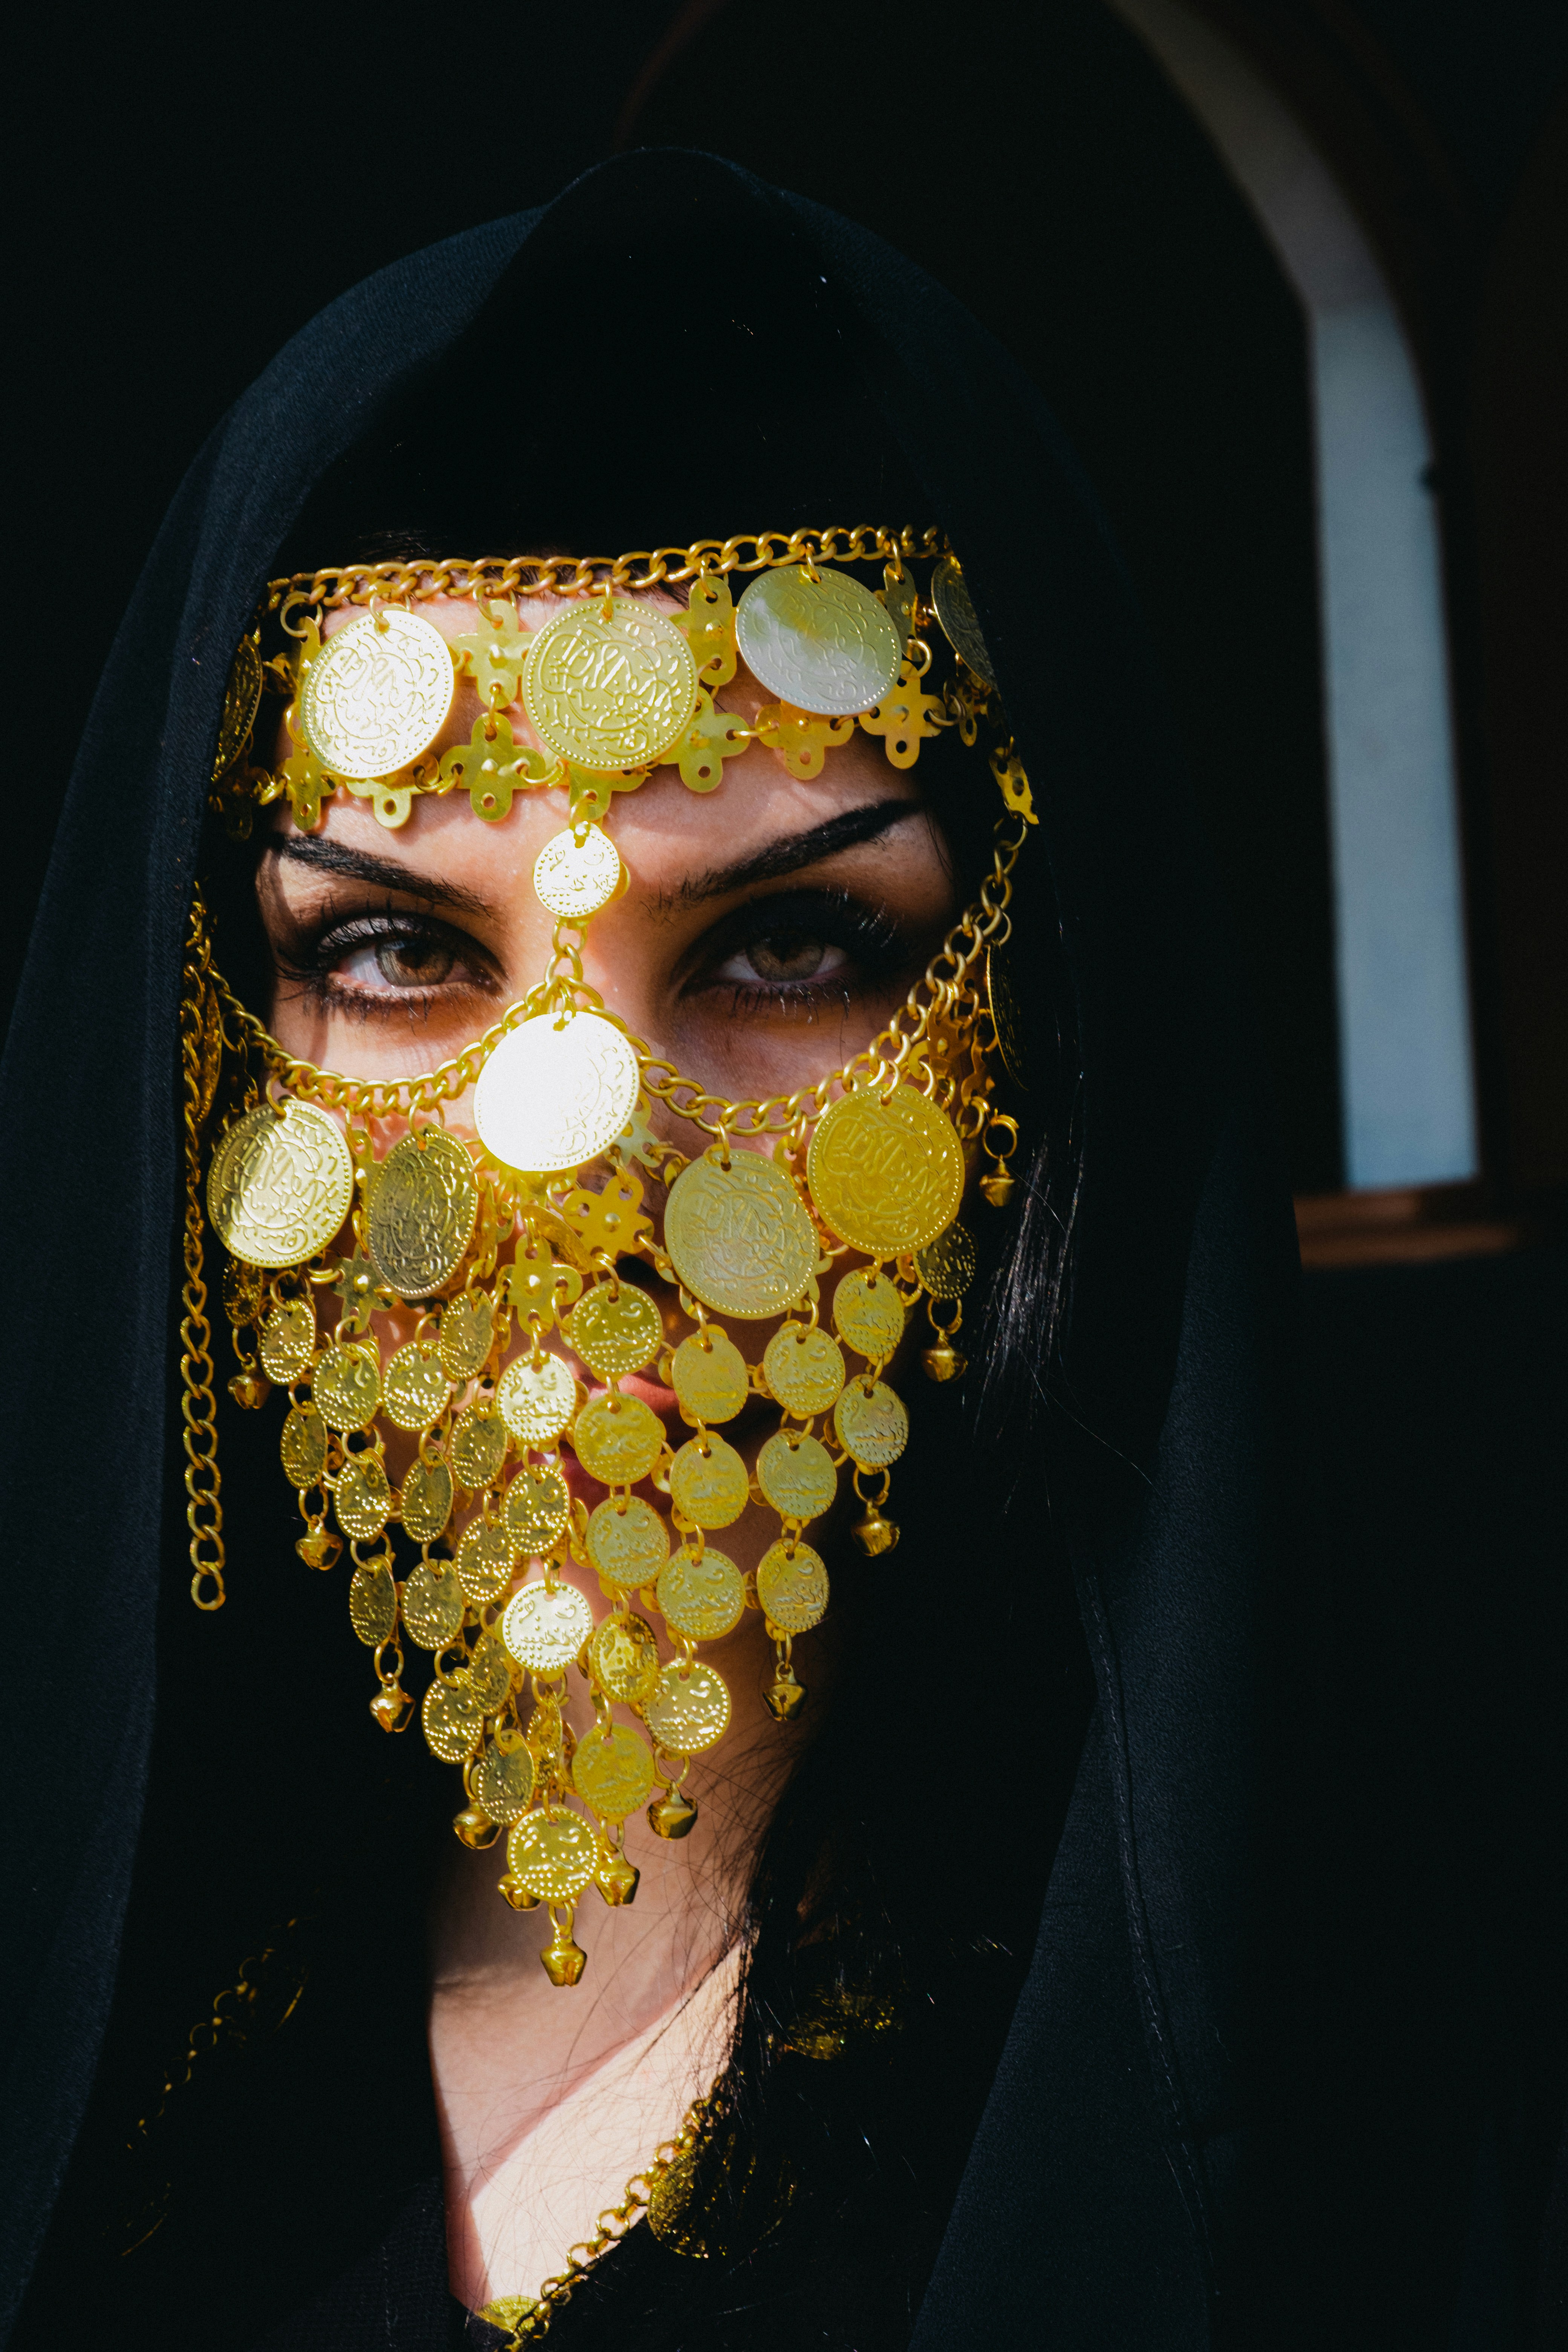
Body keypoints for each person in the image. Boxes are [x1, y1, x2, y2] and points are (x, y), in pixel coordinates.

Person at [5, 151, 1537, 2352]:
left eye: (797, 943)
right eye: (394, 947)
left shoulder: (1366, 2118)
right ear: (210, 1059)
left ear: (1038, 1038)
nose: (581, 1148)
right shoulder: (130, 2037)